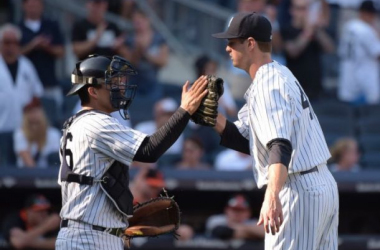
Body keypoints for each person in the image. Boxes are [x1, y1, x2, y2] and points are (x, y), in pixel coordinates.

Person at [211, 12, 339, 249]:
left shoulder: (268, 84)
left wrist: (272, 195)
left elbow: (279, 145)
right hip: (319, 184)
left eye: (232, 42)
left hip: (297, 189)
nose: (227, 48)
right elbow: (248, 140)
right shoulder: (277, 74)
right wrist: (212, 119)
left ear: (250, 44)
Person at [55, 54, 208, 249]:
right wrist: (185, 110)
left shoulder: (75, 123)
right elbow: (149, 150)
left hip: (89, 232)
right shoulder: (96, 122)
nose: (119, 87)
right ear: (93, 91)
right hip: (89, 237)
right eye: (111, 83)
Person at [281, 0, 335, 101]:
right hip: (294, 93)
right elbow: (293, 51)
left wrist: (316, 30)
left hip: (316, 92)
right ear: (292, 10)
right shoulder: (286, 29)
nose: (305, 13)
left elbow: (330, 49)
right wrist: (307, 32)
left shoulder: (317, 31)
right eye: (301, 9)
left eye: (307, 9)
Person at [19, 0, 65, 108]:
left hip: (49, 82)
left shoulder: (51, 25)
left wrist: (47, 47)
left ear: (42, 6)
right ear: (24, 6)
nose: (33, 8)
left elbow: (61, 51)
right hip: (26, 85)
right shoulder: (18, 28)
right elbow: (13, 54)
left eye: (36, 5)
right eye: (30, 5)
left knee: (53, 117)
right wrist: (33, 45)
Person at [0, 23, 43, 133]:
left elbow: (37, 92)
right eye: (7, 42)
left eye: (15, 42)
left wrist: (31, 105)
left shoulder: (27, 65)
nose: (11, 46)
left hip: (24, 130)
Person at [338, 0, 380, 105]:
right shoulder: (366, 30)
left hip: (348, 83)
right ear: (363, 13)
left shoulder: (349, 26)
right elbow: (378, 54)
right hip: (363, 85)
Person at [124, 8, 169, 100]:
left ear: (147, 20)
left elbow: (163, 62)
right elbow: (129, 64)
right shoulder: (129, 38)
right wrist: (137, 51)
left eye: (140, 22)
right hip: (133, 83)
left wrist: (145, 52)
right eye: (135, 22)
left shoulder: (159, 39)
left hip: (152, 83)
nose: (138, 25)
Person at [13, 97, 61, 168]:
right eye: (30, 112)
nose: (34, 115)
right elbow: (28, 163)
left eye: (36, 111)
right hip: (25, 175)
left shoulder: (54, 134)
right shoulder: (20, 134)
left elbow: (57, 159)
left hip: (50, 175)